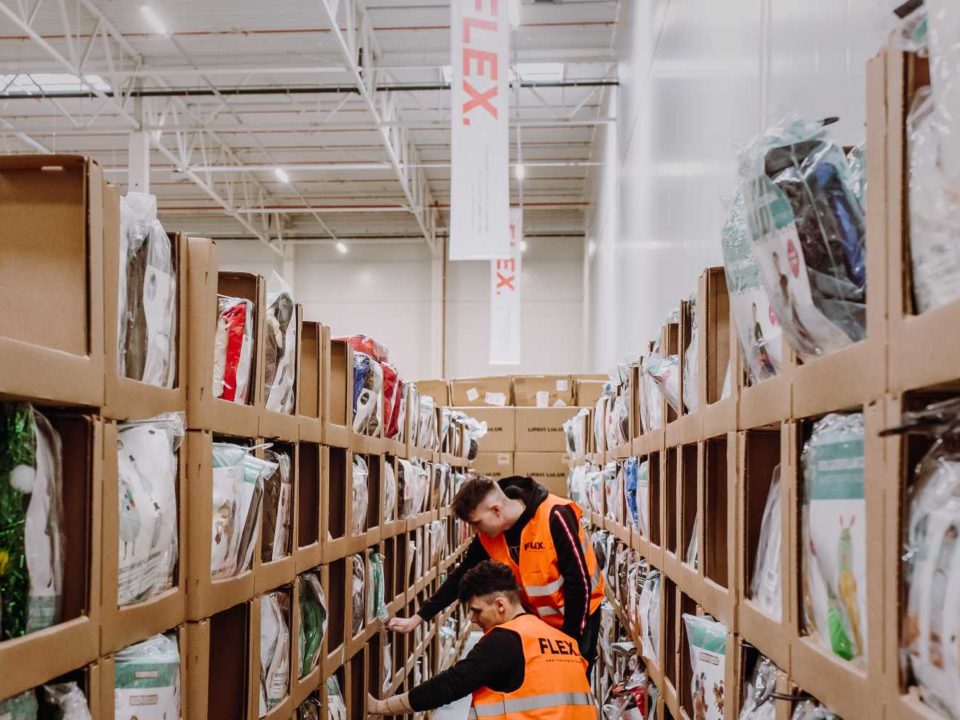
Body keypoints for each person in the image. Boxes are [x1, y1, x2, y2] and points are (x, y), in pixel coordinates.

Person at [387, 476, 605, 669]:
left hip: (580, 619)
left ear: (496, 510)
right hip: (538, 622)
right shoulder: (488, 536)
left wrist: (569, 642)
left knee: (572, 686)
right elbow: (461, 576)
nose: (475, 530)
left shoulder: (554, 515)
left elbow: (579, 583)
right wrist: (419, 617)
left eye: (476, 523)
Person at [368, 561, 598, 718]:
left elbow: (449, 685)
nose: (474, 620)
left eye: (476, 611)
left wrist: (380, 707)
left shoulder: (505, 640)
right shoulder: (562, 640)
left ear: (500, 605)